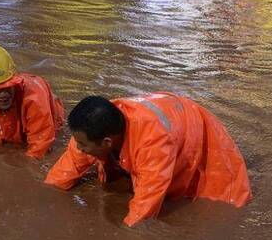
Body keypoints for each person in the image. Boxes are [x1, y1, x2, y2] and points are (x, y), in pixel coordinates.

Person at [45, 93, 251, 227]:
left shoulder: (153, 142)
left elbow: (145, 206)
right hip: (167, 115)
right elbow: (65, 170)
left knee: (220, 198)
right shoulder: (93, 126)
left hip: (194, 128)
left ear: (107, 141)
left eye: (82, 144)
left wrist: (122, 239)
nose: (77, 147)